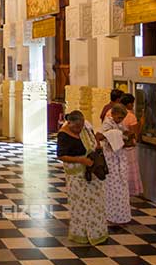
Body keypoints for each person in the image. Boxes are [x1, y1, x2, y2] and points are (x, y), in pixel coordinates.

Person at [57, 111, 108, 245]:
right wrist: (81, 160)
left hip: (92, 173)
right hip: (76, 176)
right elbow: (61, 156)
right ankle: (82, 234)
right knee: (81, 205)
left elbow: (93, 140)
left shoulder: (85, 129)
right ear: (69, 123)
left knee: (95, 203)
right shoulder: (63, 135)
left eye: (80, 127)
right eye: (76, 127)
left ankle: (97, 232)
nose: (79, 130)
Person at [101, 104, 133, 225]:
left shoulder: (119, 124)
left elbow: (123, 132)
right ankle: (111, 215)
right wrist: (120, 136)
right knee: (112, 187)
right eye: (119, 117)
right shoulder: (107, 124)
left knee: (122, 185)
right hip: (111, 158)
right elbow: (110, 137)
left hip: (120, 157)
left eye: (122, 118)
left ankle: (121, 215)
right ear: (113, 114)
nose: (120, 120)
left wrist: (125, 134)